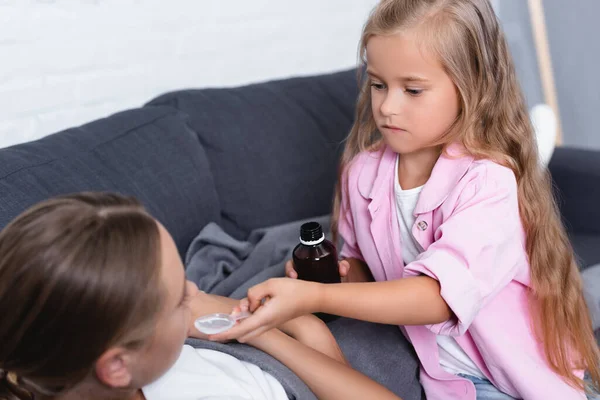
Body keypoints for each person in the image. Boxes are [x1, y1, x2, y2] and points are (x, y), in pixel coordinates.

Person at [210, 1, 600, 399]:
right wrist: (340, 276)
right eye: (379, 85)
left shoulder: (488, 183)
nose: (388, 107)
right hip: (452, 381)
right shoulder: (362, 172)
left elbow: (438, 298)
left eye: (412, 90)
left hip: (521, 381)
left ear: (472, 87)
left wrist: (316, 296)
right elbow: (368, 265)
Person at [0, 192, 401, 400]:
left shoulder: (92, 349)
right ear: (117, 367)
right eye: (177, 298)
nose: (193, 290)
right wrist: (299, 331)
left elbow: (202, 305)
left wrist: (289, 321)